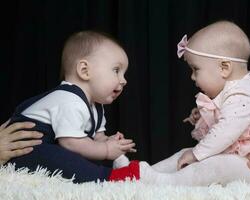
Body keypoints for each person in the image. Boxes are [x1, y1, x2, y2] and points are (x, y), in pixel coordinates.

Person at [140, 20, 250, 186]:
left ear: (224, 68)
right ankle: (141, 173)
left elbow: (226, 131)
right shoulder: (236, 88)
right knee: (185, 153)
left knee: (214, 166)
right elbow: (226, 117)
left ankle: (164, 182)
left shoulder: (243, 94)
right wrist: (204, 116)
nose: (192, 77)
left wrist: (196, 154)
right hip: (239, 157)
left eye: (195, 69)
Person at [4, 30, 157, 183]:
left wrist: (109, 142)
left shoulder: (95, 106)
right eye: (116, 70)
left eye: (124, 74)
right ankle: (110, 177)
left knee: (83, 155)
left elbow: (96, 137)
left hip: (50, 144)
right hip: (24, 148)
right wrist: (107, 150)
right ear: (84, 70)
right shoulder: (69, 100)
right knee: (63, 158)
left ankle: (118, 171)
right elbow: (71, 142)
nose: (124, 81)